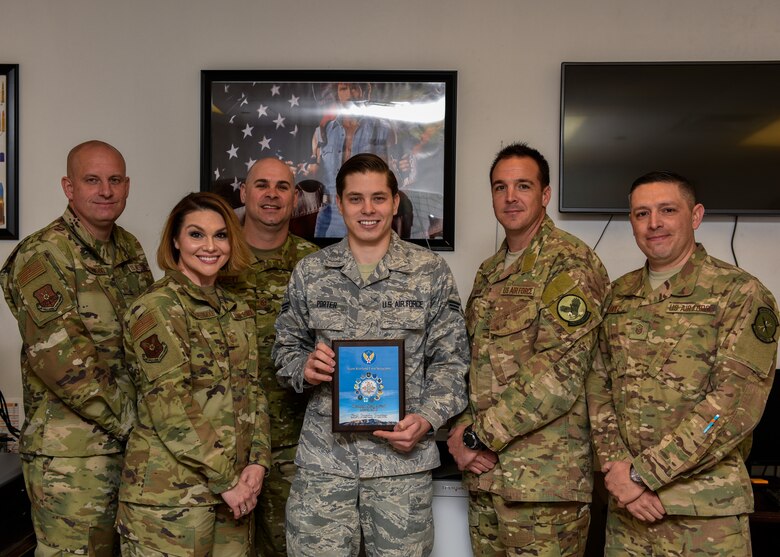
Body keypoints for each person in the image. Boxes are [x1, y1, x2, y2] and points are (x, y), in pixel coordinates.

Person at [273, 153, 468, 556]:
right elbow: (284, 351)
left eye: (378, 198)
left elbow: (451, 363)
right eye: (356, 198)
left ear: (395, 202)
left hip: (401, 467)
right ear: (339, 204)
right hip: (325, 464)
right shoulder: (310, 272)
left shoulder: (429, 272)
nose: (368, 210)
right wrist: (304, 368)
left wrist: (428, 418)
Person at [587, 171, 778, 556]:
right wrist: (618, 472)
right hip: (628, 515)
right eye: (641, 214)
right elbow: (597, 386)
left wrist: (643, 474)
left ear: (695, 216)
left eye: (667, 210)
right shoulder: (617, 295)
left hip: (705, 518)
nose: (653, 223)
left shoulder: (740, 293)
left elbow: (733, 405)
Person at [447, 143, 610, 557]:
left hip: (543, 486)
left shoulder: (569, 263)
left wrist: (476, 435)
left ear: (545, 194)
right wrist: (462, 433)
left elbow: (559, 372)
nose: (510, 197)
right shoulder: (490, 271)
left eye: (523, 185)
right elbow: (471, 362)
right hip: (486, 477)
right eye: (500, 187)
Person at [0, 140, 153, 556]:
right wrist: (138, 426)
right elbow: (65, 362)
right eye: (92, 180)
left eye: (114, 180)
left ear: (127, 186)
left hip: (129, 447)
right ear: (69, 187)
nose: (105, 190)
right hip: (72, 460)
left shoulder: (129, 248)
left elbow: (147, 339)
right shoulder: (42, 254)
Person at [116, 192, 271, 556]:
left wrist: (258, 462)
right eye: (196, 234)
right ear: (175, 240)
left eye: (220, 235)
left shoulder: (236, 309)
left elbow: (253, 390)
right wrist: (225, 479)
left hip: (232, 494)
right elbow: (170, 405)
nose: (210, 246)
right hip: (170, 500)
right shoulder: (157, 308)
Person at [230, 158, 318, 557]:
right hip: (222, 446)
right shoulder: (213, 256)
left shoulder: (317, 266)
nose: (271, 194)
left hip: (293, 447)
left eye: (282, 187)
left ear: (294, 198)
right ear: (244, 193)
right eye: (261, 185)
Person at [308, 83, 393, 238]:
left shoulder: (382, 129)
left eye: (354, 87)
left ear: (365, 91)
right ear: (337, 94)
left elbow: (392, 177)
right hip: (329, 214)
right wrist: (307, 170)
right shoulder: (324, 131)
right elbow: (317, 173)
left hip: (366, 214)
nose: (349, 94)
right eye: (343, 89)